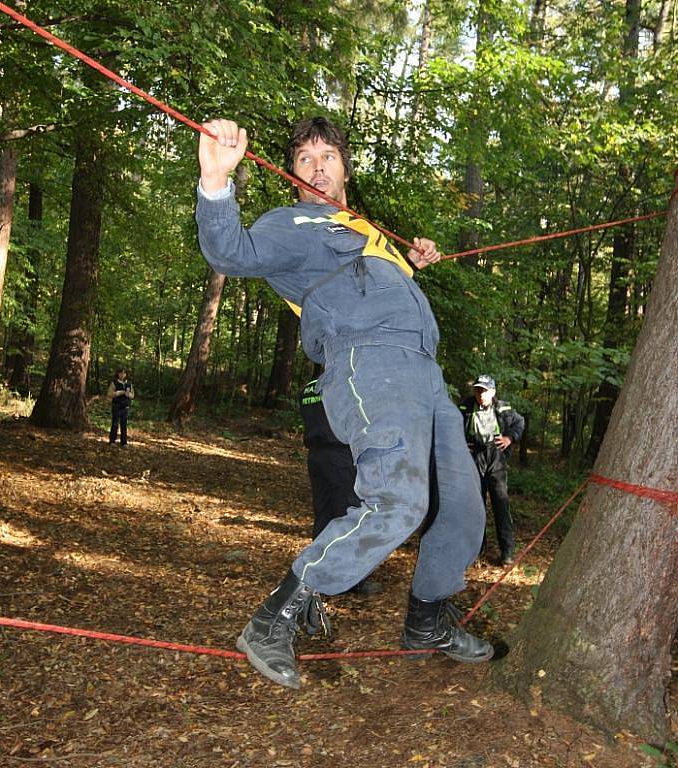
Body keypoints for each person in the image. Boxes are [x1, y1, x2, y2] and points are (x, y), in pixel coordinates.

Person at [196, 116, 493, 689]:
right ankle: (276, 615)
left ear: (345, 169)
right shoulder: (292, 223)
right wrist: (215, 182)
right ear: (293, 175)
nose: (316, 167)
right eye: (304, 159)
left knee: (462, 506)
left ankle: (427, 621)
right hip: (368, 361)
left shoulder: (367, 230)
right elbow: (228, 252)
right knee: (398, 501)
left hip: (426, 372)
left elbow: (378, 276)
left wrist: (415, 257)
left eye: (327, 155)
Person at [299, 378, 382, 596]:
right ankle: (352, 580)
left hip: (316, 456)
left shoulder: (309, 386)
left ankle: (318, 574)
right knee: (350, 516)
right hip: (341, 456)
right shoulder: (345, 384)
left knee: (324, 514)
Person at [459, 375, 525, 566]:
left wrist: (509, 438)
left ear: (493, 392)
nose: (481, 395)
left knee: (500, 504)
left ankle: (507, 552)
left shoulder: (503, 408)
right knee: (476, 507)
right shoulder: (465, 406)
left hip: (496, 457)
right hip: (474, 458)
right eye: (478, 390)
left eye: (485, 391)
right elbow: (452, 426)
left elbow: (519, 423)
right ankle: (477, 551)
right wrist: (461, 443)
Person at [107, 367, 134, 446]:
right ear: (118, 374)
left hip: (125, 407)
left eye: (124, 373)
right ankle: (112, 441)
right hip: (116, 406)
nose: (122, 375)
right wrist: (118, 393)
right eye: (121, 373)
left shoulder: (129, 384)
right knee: (115, 424)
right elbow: (109, 394)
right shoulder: (114, 383)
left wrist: (128, 394)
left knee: (124, 425)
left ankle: (124, 442)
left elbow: (133, 395)